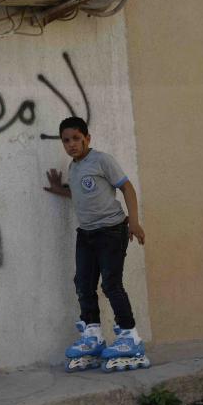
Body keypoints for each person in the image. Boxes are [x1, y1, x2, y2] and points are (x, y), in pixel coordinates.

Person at [44, 116, 150, 373]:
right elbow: (81, 193)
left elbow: (127, 189)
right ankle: (92, 334)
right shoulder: (75, 166)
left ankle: (129, 336)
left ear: (87, 138)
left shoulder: (102, 160)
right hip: (87, 234)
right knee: (83, 284)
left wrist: (133, 222)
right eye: (66, 141)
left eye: (76, 139)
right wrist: (61, 190)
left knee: (111, 284)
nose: (71, 144)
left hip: (111, 231)